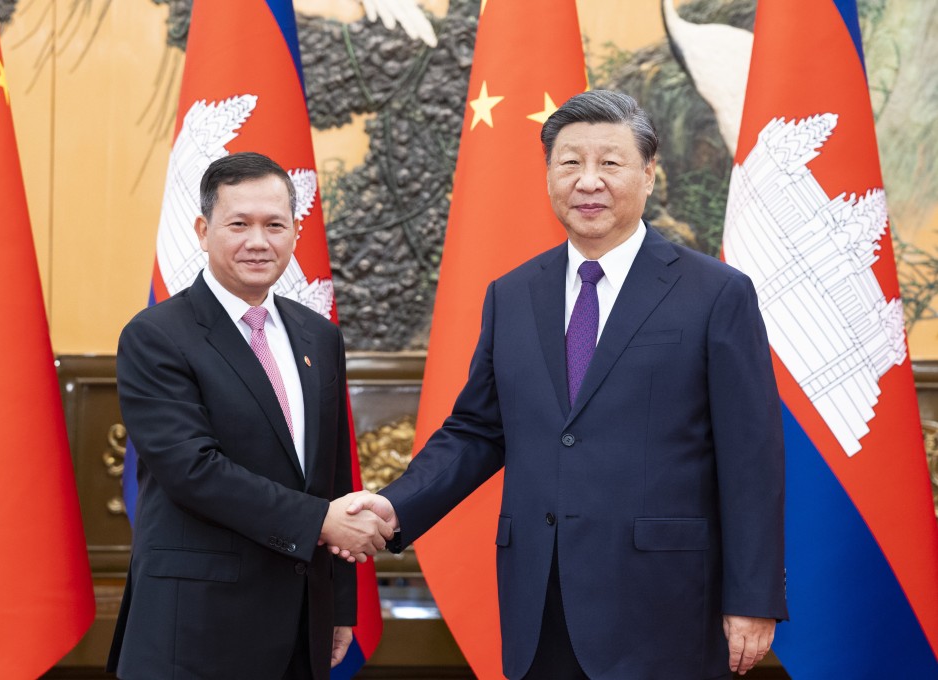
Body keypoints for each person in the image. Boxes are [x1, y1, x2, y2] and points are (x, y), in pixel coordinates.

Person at [342, 90, 788, 679]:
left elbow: (751, 456)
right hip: (541, 597)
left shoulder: (716, 294)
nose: (588, 181)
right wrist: (395, 506)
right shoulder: (513, 294)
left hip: (666, 602)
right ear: (549, 175)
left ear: (649, 174)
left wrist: (752, 597)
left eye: (610, 162)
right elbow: (479, 429)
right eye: (570, 162)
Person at [106, 152, 392, 680]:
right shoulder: (156, 336)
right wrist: (319, 523)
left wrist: (339, 606)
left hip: (301, 624)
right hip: (194, 630)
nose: (258, 241)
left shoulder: (318, 336)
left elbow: (331, 476)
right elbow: (193, 471)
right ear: (202, 228)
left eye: (274, 225)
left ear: (295, 231)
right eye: (239, 224)